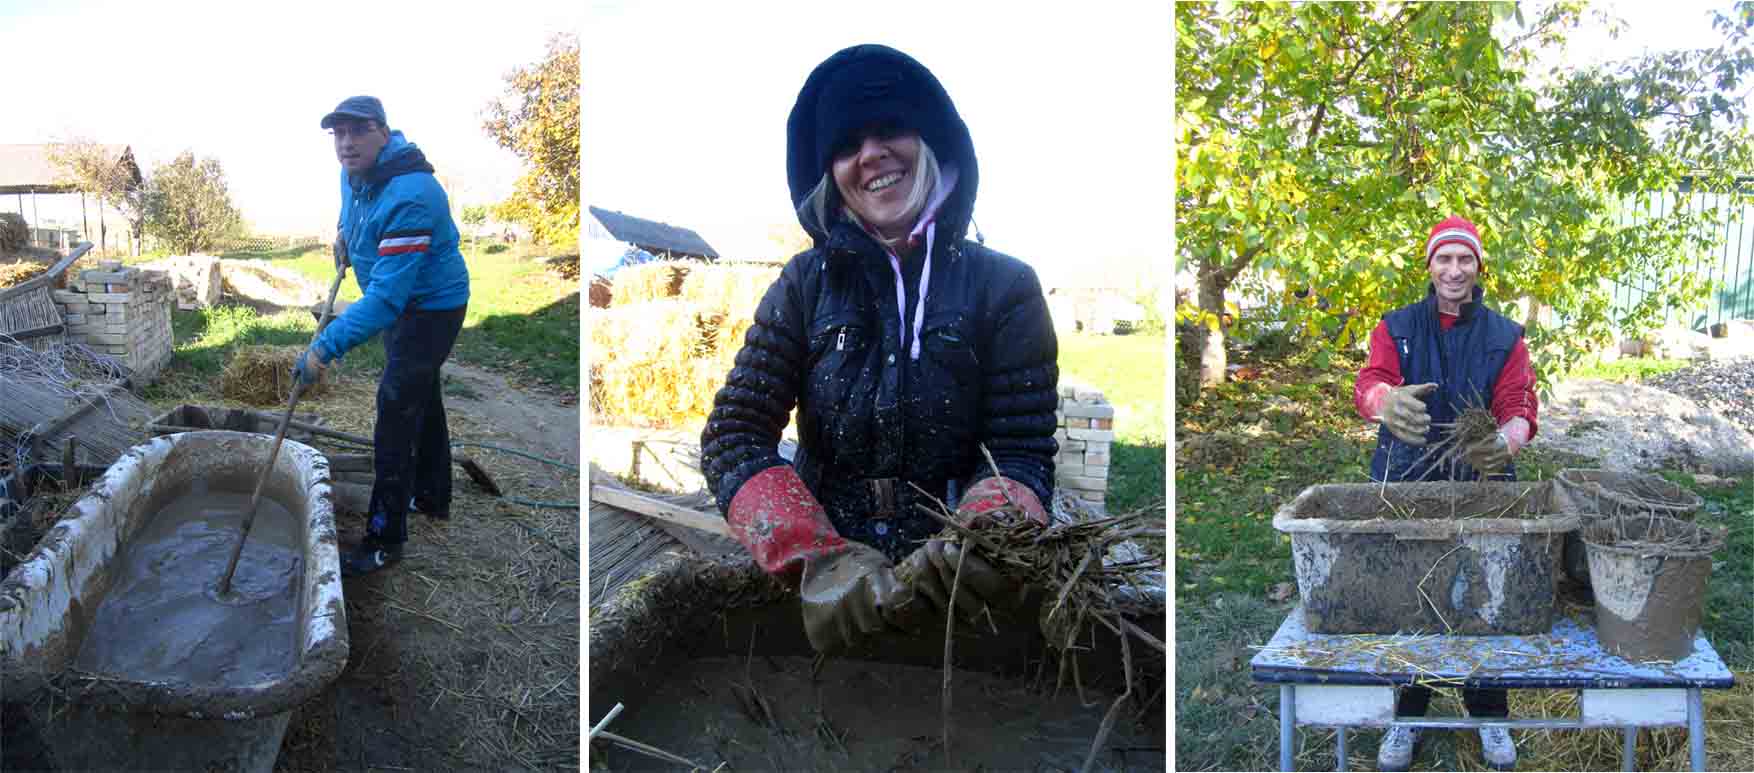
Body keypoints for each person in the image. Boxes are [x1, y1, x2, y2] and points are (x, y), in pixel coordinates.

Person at [699, 45, 1060, 653]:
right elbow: (734, 436)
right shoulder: (804, 285)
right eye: (846, 145)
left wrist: (979, 543)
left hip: (955, 588)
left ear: (932, 140)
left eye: (890, 128)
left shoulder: (1006, 287)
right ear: (830, 172)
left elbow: (1021, 454)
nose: (871, 154)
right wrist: (818, 562)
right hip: (826, 588)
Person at [1353, 215, 1539, 771]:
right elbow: (1370, 381)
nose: (1454, 271)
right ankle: (1406, 719)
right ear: (1430, 266)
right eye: (1444, 259)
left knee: (1483, 598)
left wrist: (1506, 443)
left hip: (1481, 480)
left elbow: (1520, 405)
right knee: (1406, 597)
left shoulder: (1504, 335)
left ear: (1478, 267)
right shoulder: (1398, 326)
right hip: (1406, 477)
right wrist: (1384, 402)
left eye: (1464, 260)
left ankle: (1490, 719)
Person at [295, 96, 471, 578]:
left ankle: (383, 537)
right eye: (338, 134)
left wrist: (323, 347)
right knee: (420, 393)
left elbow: (387, 302)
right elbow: (351, 209)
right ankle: (432, 494)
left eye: (357, 132)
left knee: (395, 406)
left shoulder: (413, 194)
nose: (346, 144)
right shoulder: (354, 173)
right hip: (397, 296)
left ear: (383, 132)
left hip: (430, 306)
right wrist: (343, 236)